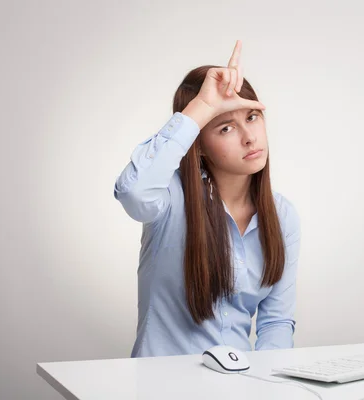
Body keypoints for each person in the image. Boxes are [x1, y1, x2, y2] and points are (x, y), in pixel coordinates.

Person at [113, 40, 301, 357]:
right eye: (226, 127)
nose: (249, 137)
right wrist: (201, 109)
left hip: (241, 385)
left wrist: (270, 385)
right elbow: (133, 191)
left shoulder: (282, 216)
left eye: (252, 117)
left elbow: (276, 323)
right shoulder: (170, 199)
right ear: (197, 144)